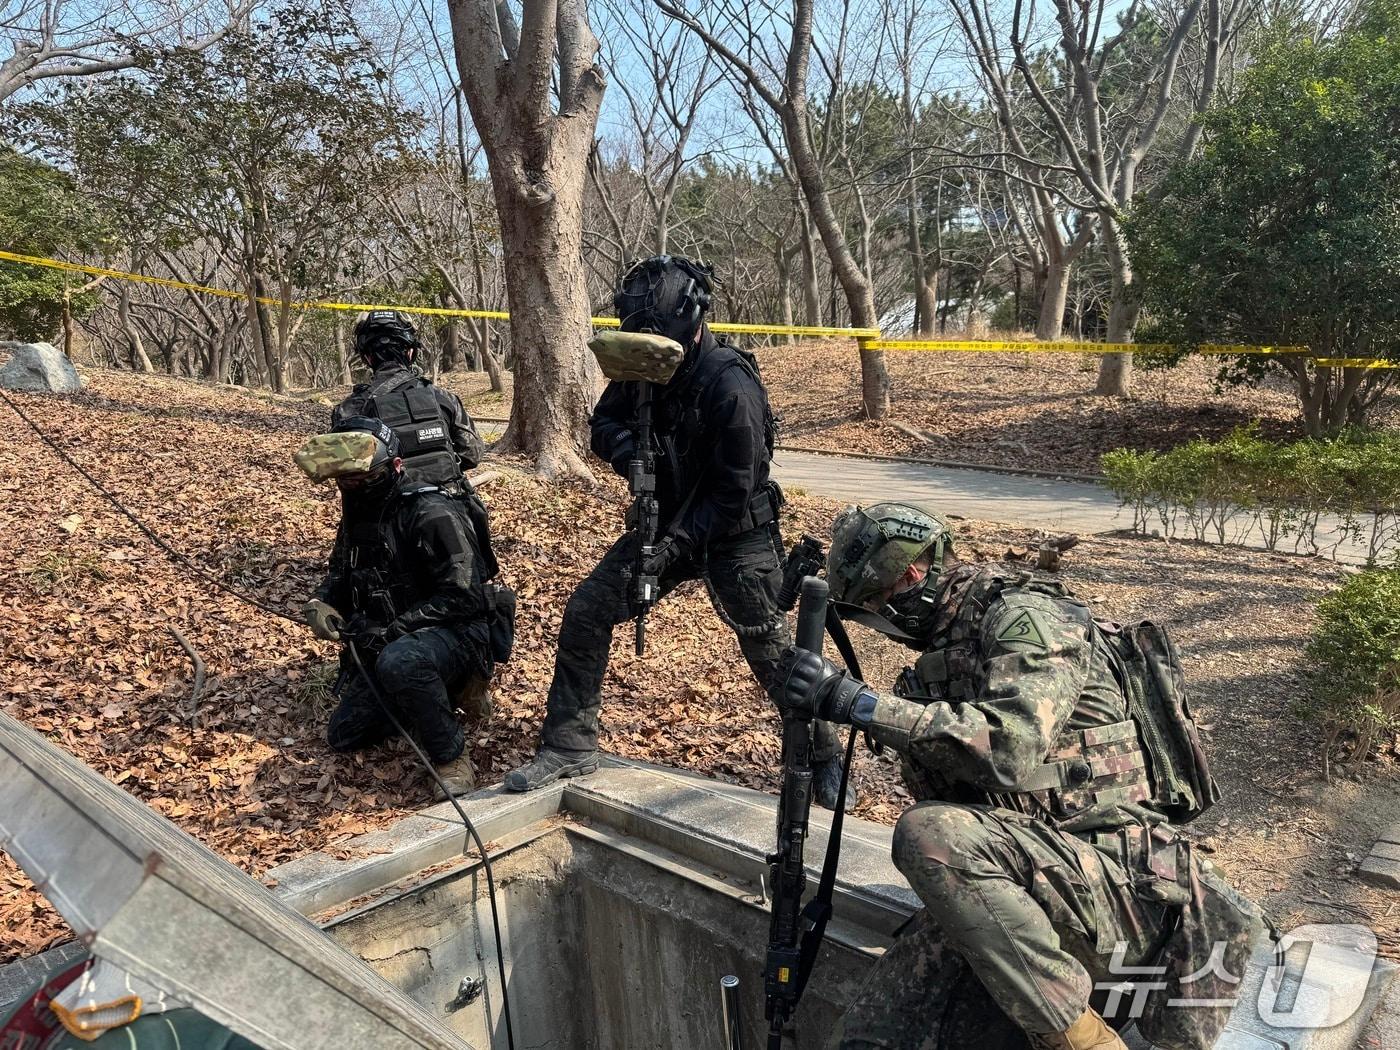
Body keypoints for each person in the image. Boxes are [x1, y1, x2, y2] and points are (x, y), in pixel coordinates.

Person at [774, 503, 1264, 1050]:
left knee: (930, 834)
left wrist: (860, 706)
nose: (882, 623)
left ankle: (1086, 1042)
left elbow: (1009, 749)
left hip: (1128, 886)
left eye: (879, 604)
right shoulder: (938, 665)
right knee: (874, 1034)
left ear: (913, 573)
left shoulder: (1028, 618)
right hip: (1040, 889)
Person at [504, 255, 851, 809]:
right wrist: (628, 455)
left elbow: (732, 490)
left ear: (691, 325)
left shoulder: (731, 385)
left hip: (736, 532)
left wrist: (673, 548)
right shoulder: (641, 364)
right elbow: (602, 422)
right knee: (588, 611)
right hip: (661, 522)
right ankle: (569, 746)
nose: (652, 350)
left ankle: (825, 756)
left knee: (771, 648)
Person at [296, 416, 504, 798]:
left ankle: (451, 755)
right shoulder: (359, 515)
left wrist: (393, 632)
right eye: (345, 483)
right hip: (388, 639)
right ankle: (429, 693)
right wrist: (321, 602)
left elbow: (464, 597)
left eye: (363, 480)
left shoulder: (431, 512)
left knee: (402, 662)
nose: (354, 489)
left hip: (458, 632)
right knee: (344, 735)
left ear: (395, 467)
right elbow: (341, 572)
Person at [333, 309, 484, 491]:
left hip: (377, 513)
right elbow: (471, 453)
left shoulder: (348, 410)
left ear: (367, 357)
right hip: (445, 506)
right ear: (410, 353)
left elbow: (342, 470)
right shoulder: (444, 399)